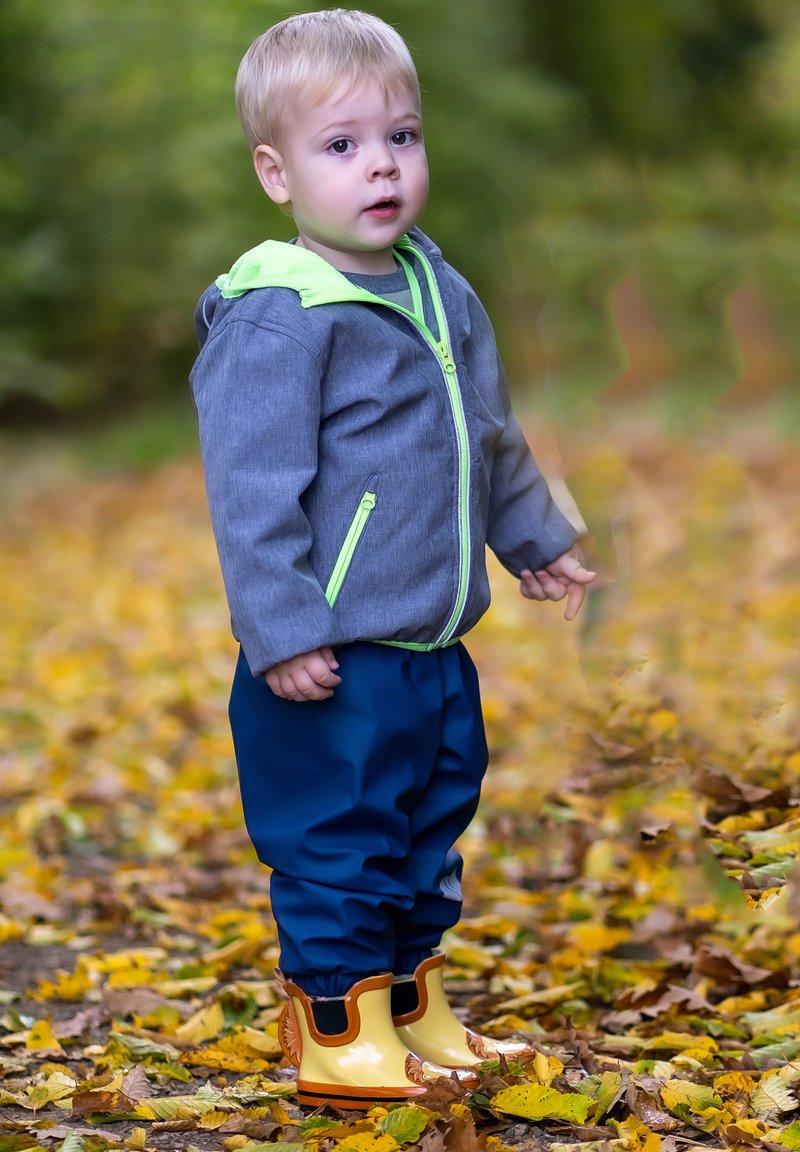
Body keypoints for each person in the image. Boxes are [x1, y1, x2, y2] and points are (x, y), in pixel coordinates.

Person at [190, 8, 595, 1111]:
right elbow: (250, 490)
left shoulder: (435, 287)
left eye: (401, 138)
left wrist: (532, 540)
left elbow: (487, 432)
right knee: (338, 841)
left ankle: (415, 1007)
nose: (380, 165)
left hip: (427, 643)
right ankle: (334, 1024)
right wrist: (281, 628)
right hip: (328, 650)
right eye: (341, 145)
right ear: (276, 173)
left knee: (427, 827)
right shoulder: (280, 315)